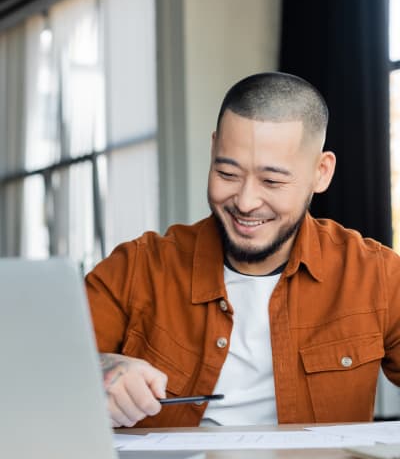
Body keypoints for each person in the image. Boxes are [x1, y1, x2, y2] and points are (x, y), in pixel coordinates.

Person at [85, 72, 400, 429]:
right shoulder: (138, 268)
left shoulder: (376, 275)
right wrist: (101, 369)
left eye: (272, 181)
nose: (246, 202)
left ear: (321, 172)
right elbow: (34, 365)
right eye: (227, 173)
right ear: (214, 149)